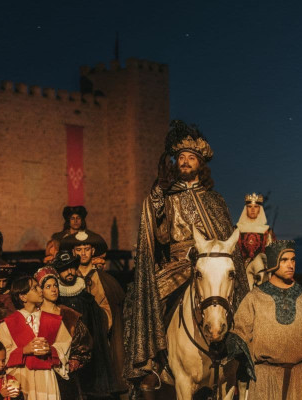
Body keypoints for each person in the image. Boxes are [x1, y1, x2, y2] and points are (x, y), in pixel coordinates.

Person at [123, 120, 248, 391]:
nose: (185, 162)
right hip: (176, 264)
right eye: (181, 157)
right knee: (141, 296)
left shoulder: (214, 200)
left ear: (199, 164)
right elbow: (159, 234)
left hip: (211, 260)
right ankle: (151, 363)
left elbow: (225, 238)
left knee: (234, 292)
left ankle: (240, 352)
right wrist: (157, 194)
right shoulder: (166, 196)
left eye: (191, 158)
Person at [230, 240, 302, 399]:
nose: (290, 265)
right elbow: (239, 336)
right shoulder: (255, 298)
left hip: (301, 380)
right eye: (284, 260)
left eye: (293, 260)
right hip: (265, 380)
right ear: (273, 262)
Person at [53, 251, 119, 398]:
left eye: (72, 267)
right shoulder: (55, 300)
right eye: (64, 269)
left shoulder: (86, 299)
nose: (69, 272)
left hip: (90, 360)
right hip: (63, 358)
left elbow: (97, 331)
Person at [0, 276, 71, 400]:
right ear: (23, 296)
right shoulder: (7, 324)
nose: (40, 290)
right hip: (21, 377)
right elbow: (1, 355)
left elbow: (64, 345)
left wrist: (51, 350)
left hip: (46, 378)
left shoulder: (52, 320)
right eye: (35, 288)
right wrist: (24, 350)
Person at [35, 266, 92, 400]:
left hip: (65, 371)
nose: (54, 289)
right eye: (48, 287)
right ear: (41, 290)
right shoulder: (34, 314)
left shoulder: (68, 314)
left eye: (55, 285)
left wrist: (76, 359)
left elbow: (84, 341)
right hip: (41, 370)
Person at [236, 192, 276, 263]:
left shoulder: (267, 231)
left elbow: (272, 254)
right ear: (246, 209)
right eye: (250, 207)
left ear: (259, 209)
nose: (253, 209)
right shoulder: (237, 229)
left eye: (256, 207)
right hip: (239, 267)